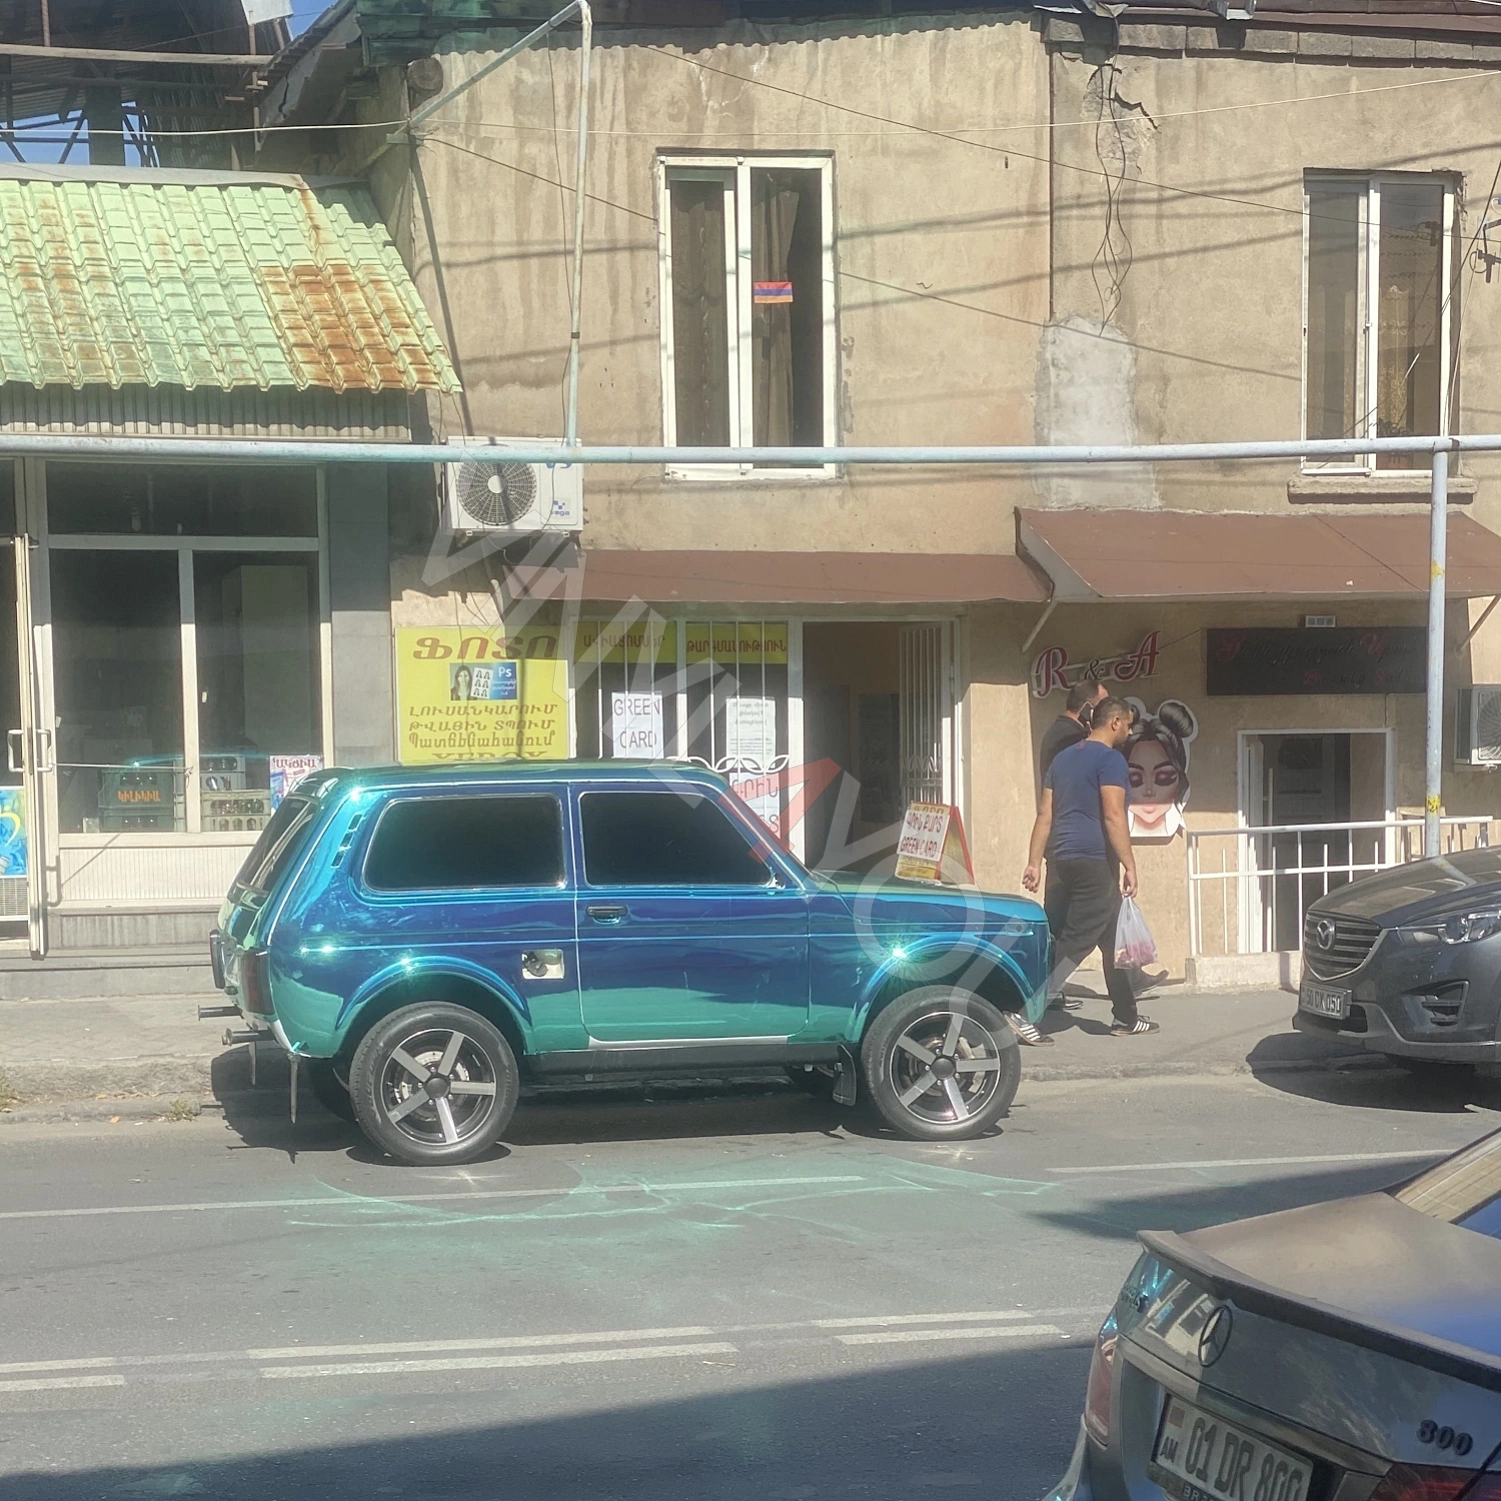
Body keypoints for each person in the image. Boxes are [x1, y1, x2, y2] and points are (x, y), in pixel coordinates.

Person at [1021, 695, 1160, 1041]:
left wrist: (1034, 862)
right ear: (1115, 723)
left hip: (1062, 861)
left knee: (1112, 939)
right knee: (1075, 942)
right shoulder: (1111, 760)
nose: (1129, 732)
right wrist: (1130, 864)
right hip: (1093, 861)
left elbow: (1044, 814)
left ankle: (1126, 1017)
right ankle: (1023, 1012)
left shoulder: (1063, 759)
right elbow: (1113, 814)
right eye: (1128, 725)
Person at [1039, 679, 1109, 779]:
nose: (1106, 714)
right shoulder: (1072, 737)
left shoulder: (1060, 730)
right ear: (1088, 708)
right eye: (1103, 708)